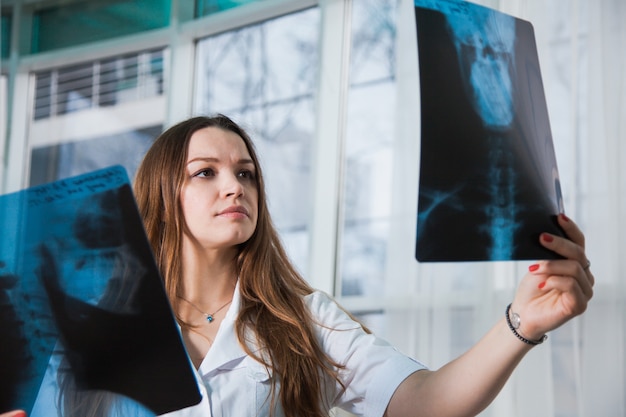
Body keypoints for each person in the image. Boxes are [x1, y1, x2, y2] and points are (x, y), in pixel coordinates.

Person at [3, 114, 594, 417]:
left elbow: (425, 403)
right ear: (162, 195)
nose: (234, 186)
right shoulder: (87, 330)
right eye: (205, 172)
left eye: (246, 173)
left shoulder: (299, 316)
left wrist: (520, 323)